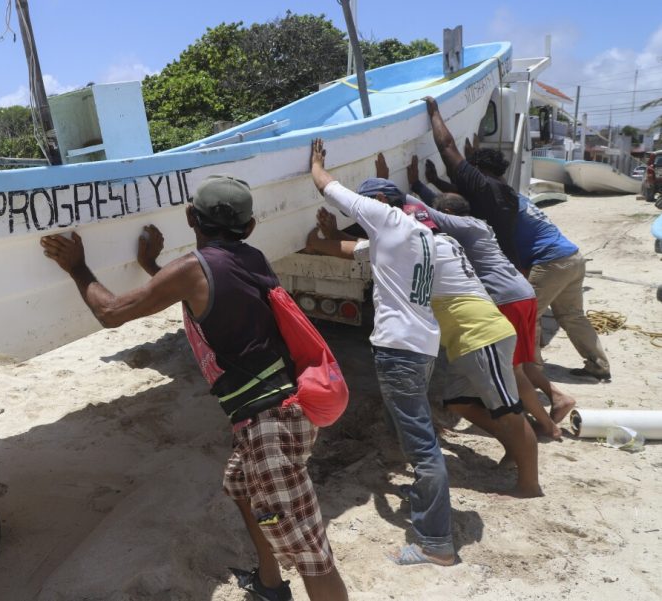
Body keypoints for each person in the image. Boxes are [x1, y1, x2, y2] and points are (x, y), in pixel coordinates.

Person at [40, 174, 347, 601]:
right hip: (285, 410)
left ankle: (281, 585)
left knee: (313, 554)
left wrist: (77, 265)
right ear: (251, 227)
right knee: (241, 486)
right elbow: (209, 290)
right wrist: (155, 269)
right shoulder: (252, 257)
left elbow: (111, 313)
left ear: (190, 217)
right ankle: (270, 584)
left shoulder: (191, 270)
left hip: (269, 424)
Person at [306, 139, 455, 566]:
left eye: (366, 209)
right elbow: (352, 250)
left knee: (422, 444)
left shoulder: (387, 219)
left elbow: (330, 188)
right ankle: (426, 500)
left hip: (400, 349)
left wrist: (317, 164)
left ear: (378, 205)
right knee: (415, 429)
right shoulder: (420, 235)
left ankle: (436, 543)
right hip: (422, 344)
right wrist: (324, 239)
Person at [364, 155, 541, 497]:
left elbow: (410, 216)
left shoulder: (436, 242)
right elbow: (363, 248)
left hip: (481, 335)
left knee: (507, 408)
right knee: (459, 403)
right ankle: (512, 447)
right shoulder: (433, 243)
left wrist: (394, 188)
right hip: (467, 339)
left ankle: (530, 483)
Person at [407, 156, 574, 438]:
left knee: (514, 371)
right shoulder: (475, 224)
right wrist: (422, 184)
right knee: (519, 363)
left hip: (505, 298)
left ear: (448, 212)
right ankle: (557, 397)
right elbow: (440, 207)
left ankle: (547, 426)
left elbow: (430, 212)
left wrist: (399, 188)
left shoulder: (462, 228)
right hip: (521, 293)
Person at [516, 190, 611, 380]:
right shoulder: (520, 200)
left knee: (528, 315)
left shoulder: (499, 206)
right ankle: (599, 365)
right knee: (572, 315)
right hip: (573, 256)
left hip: (551, 262)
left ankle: (533, 373)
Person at [424, 96, 520, 267]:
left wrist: (434, 112)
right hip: (511, 265)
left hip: (494, 270)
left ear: (477, 167)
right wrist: (436, 181)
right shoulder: (508, 193)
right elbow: (464, 195)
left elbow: (447, 147)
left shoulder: (483, 185)